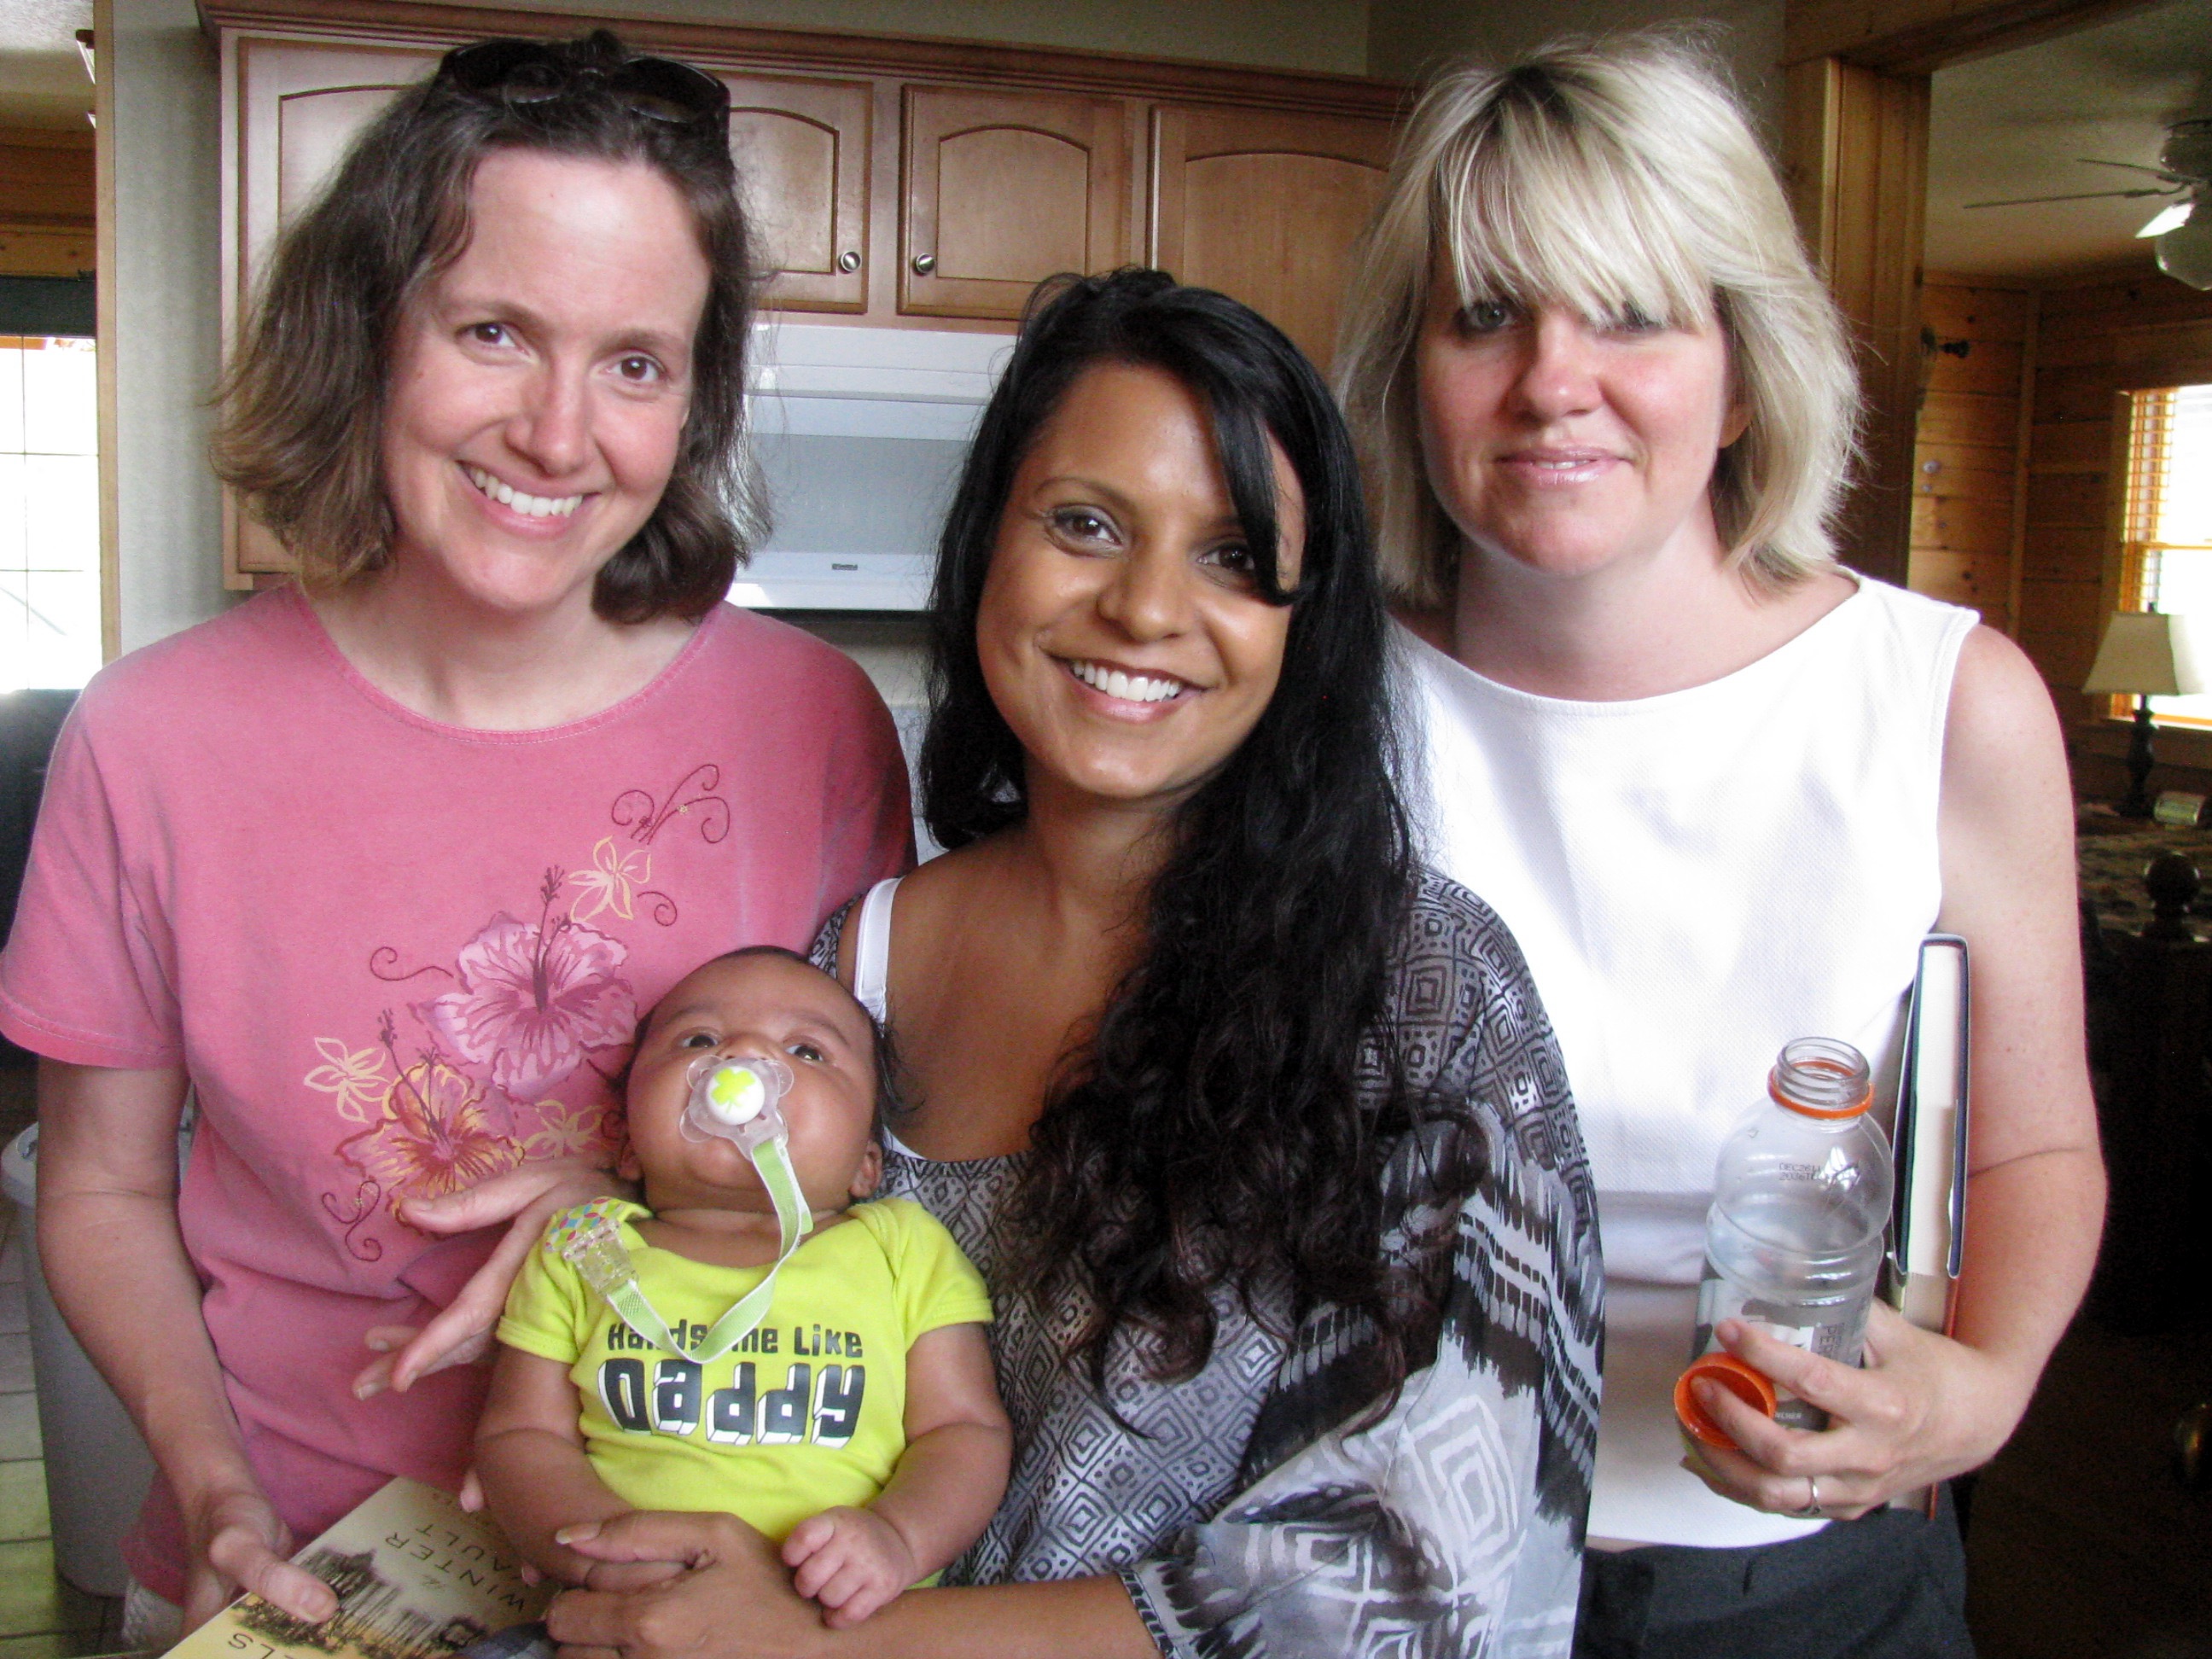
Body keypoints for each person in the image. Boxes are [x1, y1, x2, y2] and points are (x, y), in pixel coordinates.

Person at [537, 270, 1604, 1658]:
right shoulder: (844, 968)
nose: (1147, 607)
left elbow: (1425, 1568)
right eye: (1086, 524)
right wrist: (600, 1215)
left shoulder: (1419, 990)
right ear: (990, 539)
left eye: (1232, 555)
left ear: (1305, 616)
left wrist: (827, 1649)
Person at [0, 32, 910, 1648]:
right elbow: (99, 1186)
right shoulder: (150, 739)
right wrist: (208, 1483)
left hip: (711, 1588)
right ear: (367, 330)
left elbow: (887, 1167)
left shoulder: (816, 723)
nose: (559, 434)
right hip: (294, 1553)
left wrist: (621, 1183)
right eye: (495, 332)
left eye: (636, 364)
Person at [1334, 34, 2105, 1655]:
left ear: (1744, 371)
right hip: (1368, 1564)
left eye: (1630, 313)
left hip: (1802, 1579)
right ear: (1411, 372)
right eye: (1487, 314)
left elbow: (2032, 1150)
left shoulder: (1945, 704)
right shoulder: (1315, 704)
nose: (1553, 380)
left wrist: (1978, 1391)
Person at [479, 946, 1008, 1627]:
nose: (746, 1055)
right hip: (627, 1621)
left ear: (866, 1165)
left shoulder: (900, 1249)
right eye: (699, 1040)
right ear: (628, 1145)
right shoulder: (587, 1246)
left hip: (838, 1626)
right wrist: (600, 1549)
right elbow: (521, 1434)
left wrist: (899, 1537)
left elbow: (963, 1430)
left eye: (808, 1051)